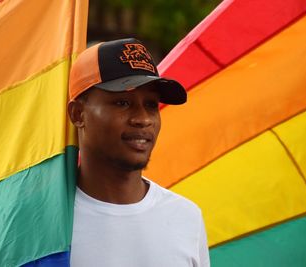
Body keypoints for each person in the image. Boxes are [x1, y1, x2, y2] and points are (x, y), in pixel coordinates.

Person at [68, 38, 210, 267]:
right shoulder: (41, 221)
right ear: (78, 114)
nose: (143, 119)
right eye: (122, 103)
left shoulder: (185, 218)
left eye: (152, 105)